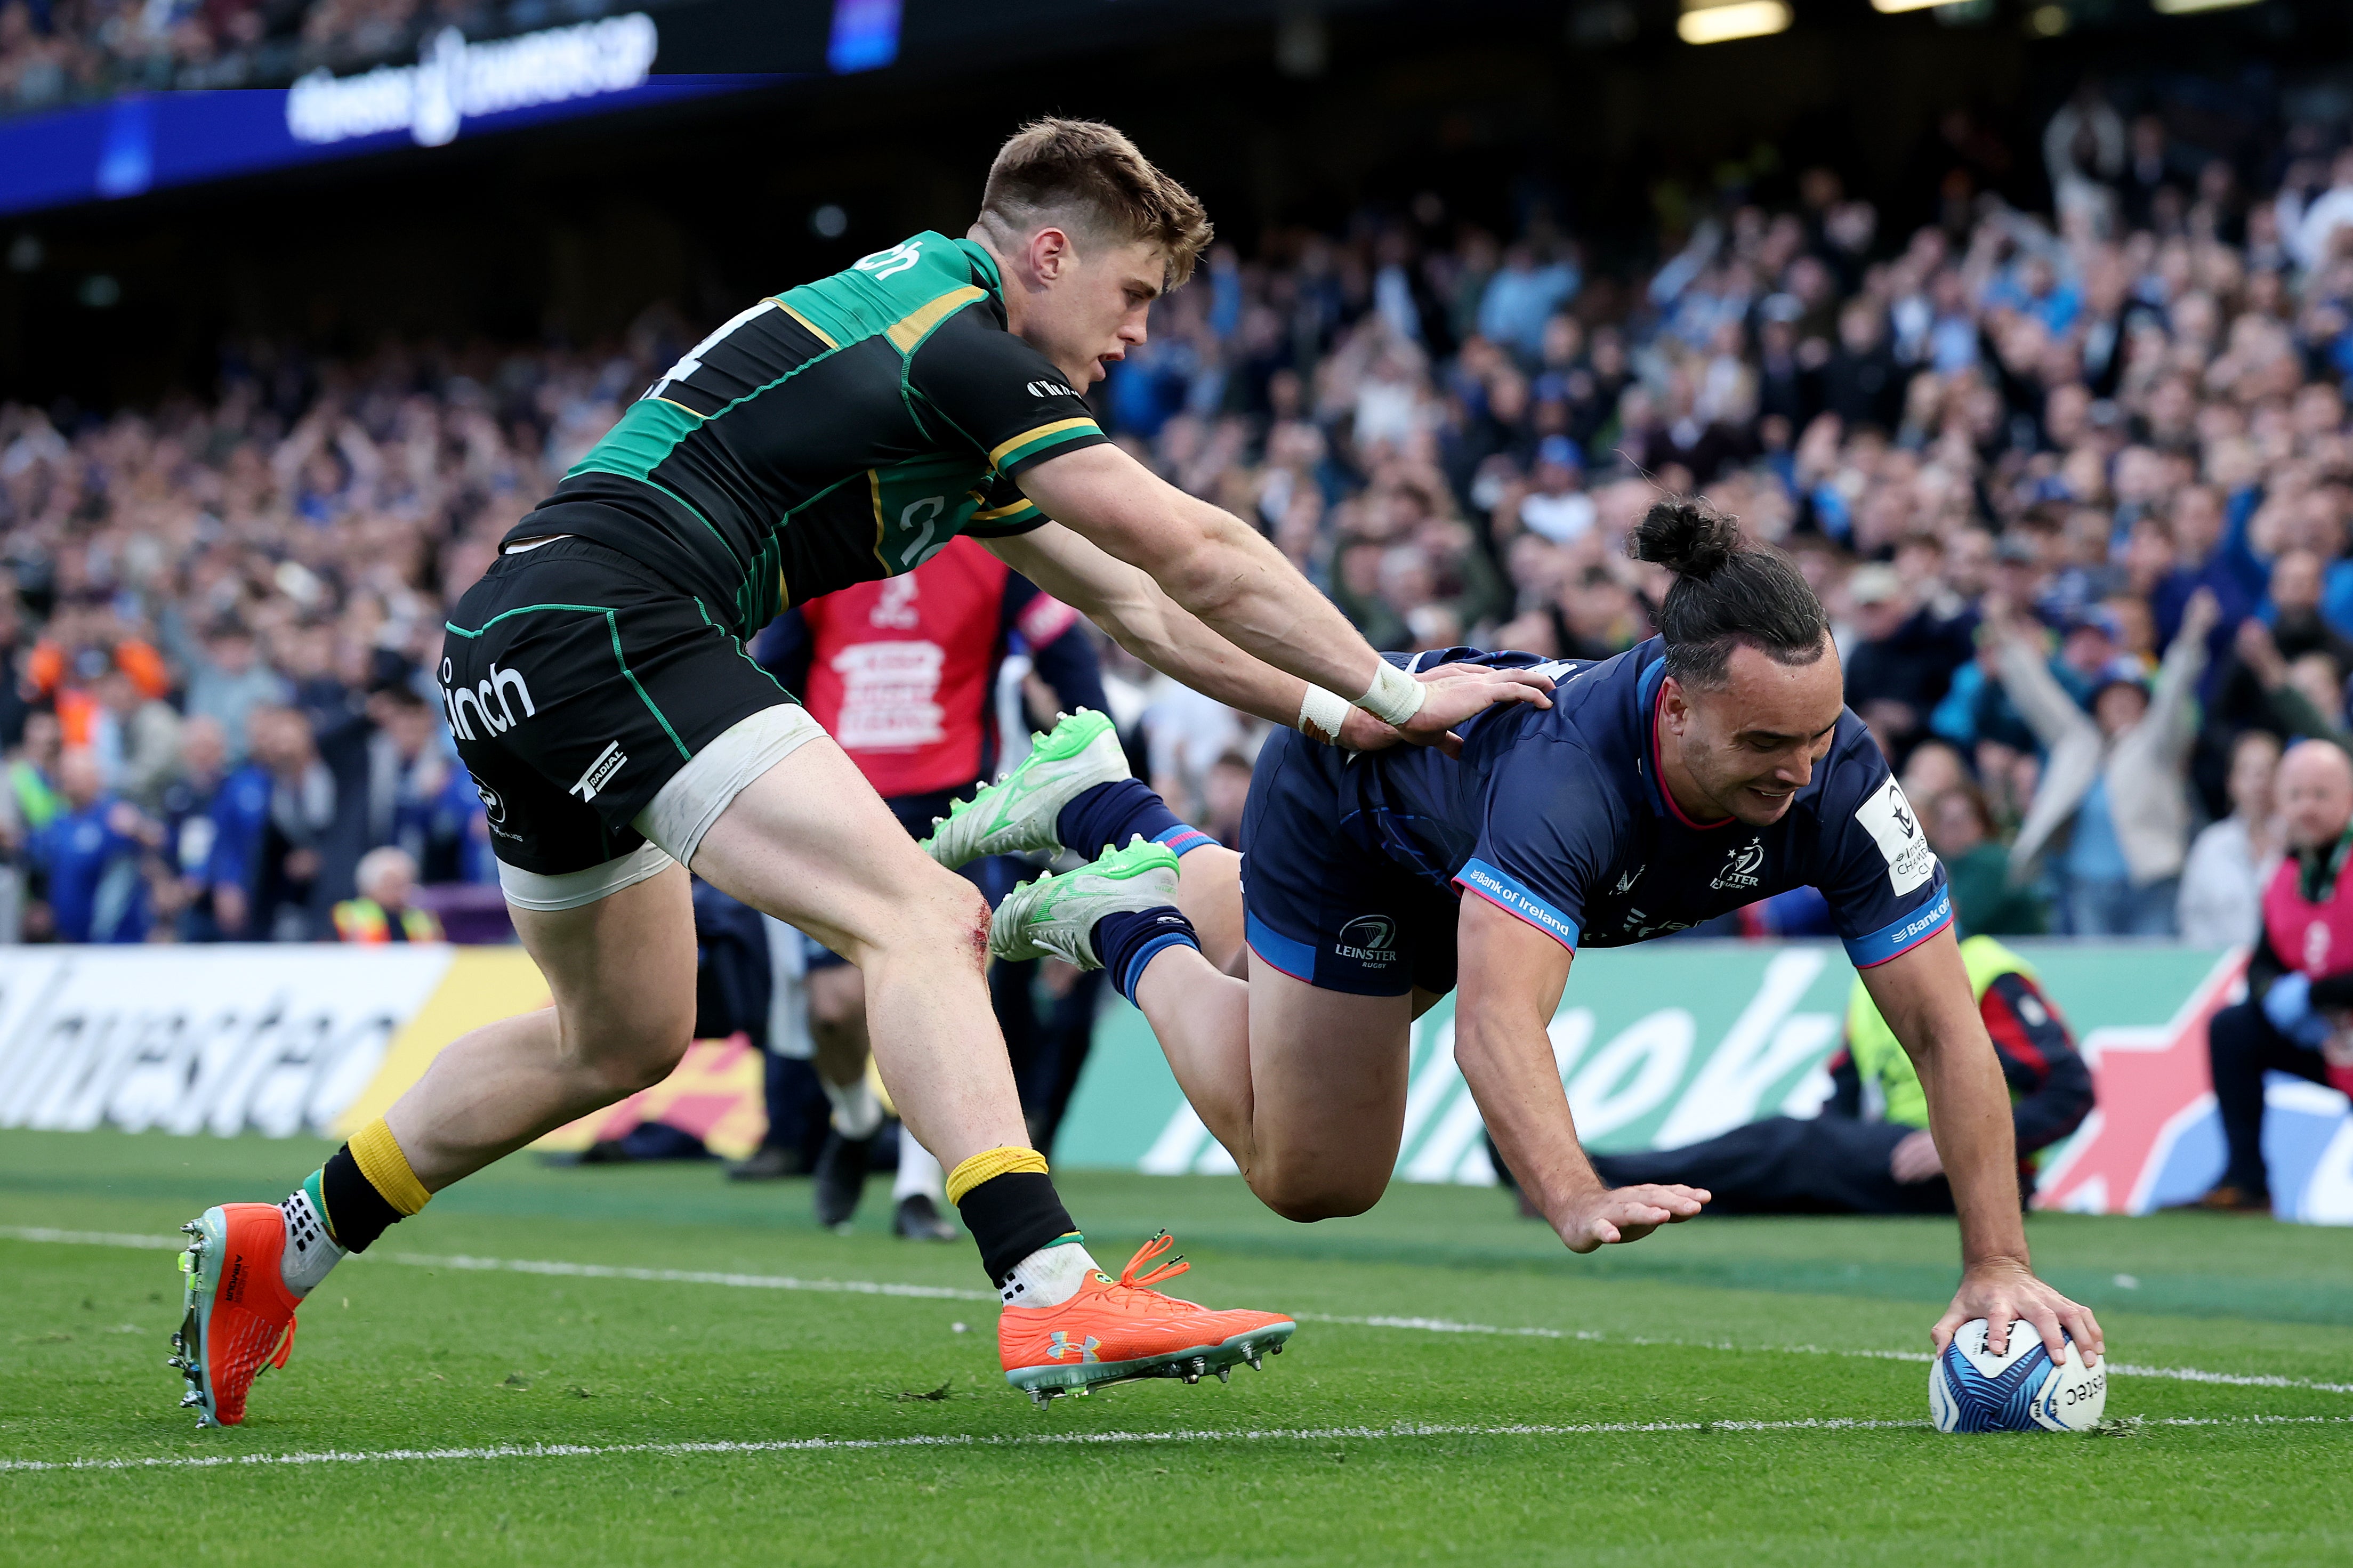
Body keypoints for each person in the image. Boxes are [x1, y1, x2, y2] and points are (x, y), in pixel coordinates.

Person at [171, 117, 1546, 1427]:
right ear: (1044, 255)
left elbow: (1141, 611)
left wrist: (1334, 714)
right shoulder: (947, 334)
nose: (1135, 336)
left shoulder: (935, 374)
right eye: (1131, 295)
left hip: (511, 646)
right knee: (922, 915)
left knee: (624, 1036)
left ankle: (281, 1244)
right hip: (615, 620)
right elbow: (1188, 546)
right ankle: (1051, 1288)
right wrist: (1394, 683)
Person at [937, 499, 2103, 1364]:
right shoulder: (1569, 780)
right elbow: (1498, 1020)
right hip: (1352, 816)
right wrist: (1568, 1187)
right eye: (1763, 747)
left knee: (1289, 1027)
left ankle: (1116, 813)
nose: (1799, 773)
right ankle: (1128, 917)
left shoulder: (1838, 777)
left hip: (1466, 860)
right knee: (1311, 1175)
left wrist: (1996, 1258)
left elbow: (1952, 1036)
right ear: (1677, 704)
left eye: (1816, 734)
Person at [753, 534, 1110, 1239]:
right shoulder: (821, 554)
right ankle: (854, 1121)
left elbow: (1061, 646)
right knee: (831, 1010)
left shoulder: (989, 557)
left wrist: (1099, 748)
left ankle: (918, 1189)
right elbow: (774, 675)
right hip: (840, 806)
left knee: (939, 992)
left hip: (951, 811)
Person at [1584, 935, 2092, 1215]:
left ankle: (1600, 1175)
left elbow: (2071, 1091)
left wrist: (1961, 1145)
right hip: (1904, 1164)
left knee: (1794, 1144)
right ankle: (1624, 1198)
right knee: (1777, 1178)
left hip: (1973, 1176)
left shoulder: (1984, 969)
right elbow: (1842, 1104)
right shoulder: (1872, 988)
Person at [2179, 741, 2353, 1213]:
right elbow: (2263, 961)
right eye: (2296, 795)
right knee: (2233, 1028)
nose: (2307, 808)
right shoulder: (2286, 874)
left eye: (2321, 794)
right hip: (2326, 1037)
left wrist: (2316, 995)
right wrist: (2276, 994)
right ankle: (2245, 1182)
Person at [1988, 589, 2218, 937]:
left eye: (2132, 697)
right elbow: (2036, 695)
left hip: (2151, 885)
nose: (2122, 704)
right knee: (2095, 976)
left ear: (2145, 706)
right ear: (2098, 705)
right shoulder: (2077, 742)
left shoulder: (2156, 745)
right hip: (2085, 885)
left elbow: (2174, 692)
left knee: (2151, 976)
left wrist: (2193, 634)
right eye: (2114, 696)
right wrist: (2004, 633)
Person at [2175, 729, 2283, 949]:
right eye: (2247, 771)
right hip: (2224, 968)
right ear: (2231, 782)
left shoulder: (2303, 842)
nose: (2258, 782)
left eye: (2267, 770)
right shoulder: (2211, 845)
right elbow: (2193, 915)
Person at [332, 846, 444, 943]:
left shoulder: (419, 917)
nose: (401, 891)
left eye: (405, 883)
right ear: (371, 887)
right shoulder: (348, 915)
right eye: (393, 884)